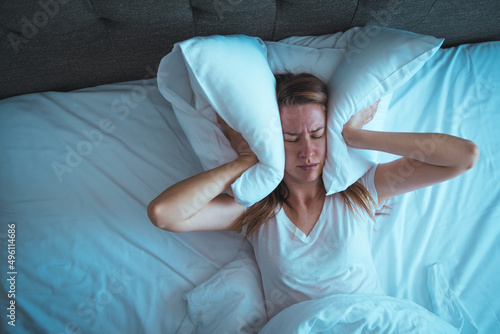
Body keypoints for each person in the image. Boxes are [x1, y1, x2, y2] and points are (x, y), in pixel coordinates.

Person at [147, 72, 479, 318]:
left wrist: (355, 136)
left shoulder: (360, 191)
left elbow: (463, 156)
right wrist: (247, 160)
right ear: (273, 142)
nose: (308, 151)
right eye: (291, 138)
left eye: (317, 134)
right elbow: (164, 213)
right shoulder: (257, 212)